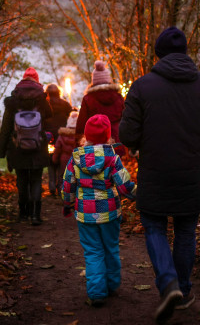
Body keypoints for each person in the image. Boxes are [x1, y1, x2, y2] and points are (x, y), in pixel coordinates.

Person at [119, 27, 200, 324]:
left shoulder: (142, 86)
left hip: (156, 173)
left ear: (158, 54)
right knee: (186, 230)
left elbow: (127, 134)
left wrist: (143, 141)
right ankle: (184, 290)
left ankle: (169, 284)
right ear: (186, 52)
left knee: (154, 226)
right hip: (193, 176)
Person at [61, 114, 136, 308]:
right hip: (110, 212)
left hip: (85, 214)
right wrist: (140, 194)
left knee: (93, 251)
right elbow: (125, 185)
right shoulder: (112, 158)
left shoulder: (75, 159)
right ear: (108, 137)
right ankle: (112, 285)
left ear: (86, 137)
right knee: (110, 248)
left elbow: (67, 186)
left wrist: (67, 203)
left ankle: (96, 292)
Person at [0, 67, 53, 225]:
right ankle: (36, 215)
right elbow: (50, 115)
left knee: (22, 180)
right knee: (36, 180)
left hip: (17, 147)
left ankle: (23, 214)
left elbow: (6, 127)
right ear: (37, 80)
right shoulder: (42, 99)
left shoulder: (13, 100)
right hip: (38, 146)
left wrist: (2, 151)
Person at [75, 60, 125, 154]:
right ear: (108, 79)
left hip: (95, 145)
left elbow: (81, 124)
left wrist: (78, 144)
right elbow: (125, 120)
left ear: (94, 80)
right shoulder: (118, 97)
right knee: (115, 166)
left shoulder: (88, 99)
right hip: (116, 143)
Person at [45, 83, 73, 194]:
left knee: (50, 161)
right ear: (59, 92)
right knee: (61, 161)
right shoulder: (65, 104)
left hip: (48, 137)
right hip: (61, 137)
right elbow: (71, 117)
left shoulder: (45, 104)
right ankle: (60, 185)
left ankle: (51, 184)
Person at [52, 110, 78, 195]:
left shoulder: (62, 135)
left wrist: (55, 159)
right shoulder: (79, 136)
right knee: (75, 176)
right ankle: (73, 194)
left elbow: (57, 148)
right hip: (76, 159)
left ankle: (61, 192)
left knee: (62, 176)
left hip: (64, 159)